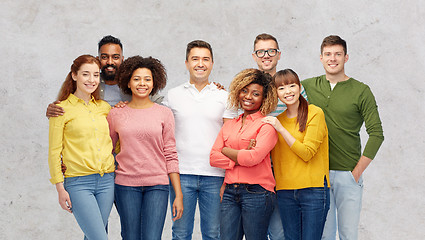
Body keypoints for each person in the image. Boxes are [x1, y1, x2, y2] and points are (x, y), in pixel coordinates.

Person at [302, 35, 384, 240]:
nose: (333, 58)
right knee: (324, 235)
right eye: (328, 54)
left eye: (337, 54)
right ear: (320, 58)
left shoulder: (361, 91)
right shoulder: (307, 86)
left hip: (348, 173)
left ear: (346, 57)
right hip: (317, 175)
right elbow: (279, 90)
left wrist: (356, 172)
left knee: (348, 234)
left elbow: (377, 133)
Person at [164, 40, 238, 240]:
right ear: (187, 63)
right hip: (182, 175)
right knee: (180, 233)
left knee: (213, 234)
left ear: (212, 63)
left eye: (205, 59)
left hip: (215, 176)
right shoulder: (173, 95)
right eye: (195, 59)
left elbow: (231, 139)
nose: (200, 63)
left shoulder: (225, 96)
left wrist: (228, 177)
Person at [107, 56, 183, 239]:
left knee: (152, 237)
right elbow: (107, 151)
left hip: (157, 185)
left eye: (147, 79)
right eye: (137, 79)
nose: (142, 83)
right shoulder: (116, 113)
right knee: (130, 236)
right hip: (125, 185)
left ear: (154, 82)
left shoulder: (164, 113)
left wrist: (178, 194)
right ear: (128, 82)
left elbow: (170, 153)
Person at [48, 55, 115, 239]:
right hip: (78, 183)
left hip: (107, 182)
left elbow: (115, 140)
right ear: (74, 75)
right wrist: (60, 188)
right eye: (86, 74)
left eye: (95, 75)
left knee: (93, 236)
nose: (91, 80)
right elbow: (54, 152)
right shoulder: (60, 109)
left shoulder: (104, 108)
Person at [210, 68, 278, 240]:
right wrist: (240, 157)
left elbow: (253, 158)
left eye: (256, 94)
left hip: (258, 192)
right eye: (245, 91)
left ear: (264, 98)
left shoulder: (266, 126)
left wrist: (226, 151)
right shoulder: (229, 125)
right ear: (238, 92)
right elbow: (213, 157)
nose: (248, 97)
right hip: (230, 192)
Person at [263, 69, 330, 240]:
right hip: (285, 191)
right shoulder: (279, 120)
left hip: (313, 190)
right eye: (282, 88)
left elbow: (307, 153)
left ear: (300, 88)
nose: (288, 92)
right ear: (276, 93)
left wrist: (280, 129)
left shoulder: (315, 113)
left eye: (292, 86)